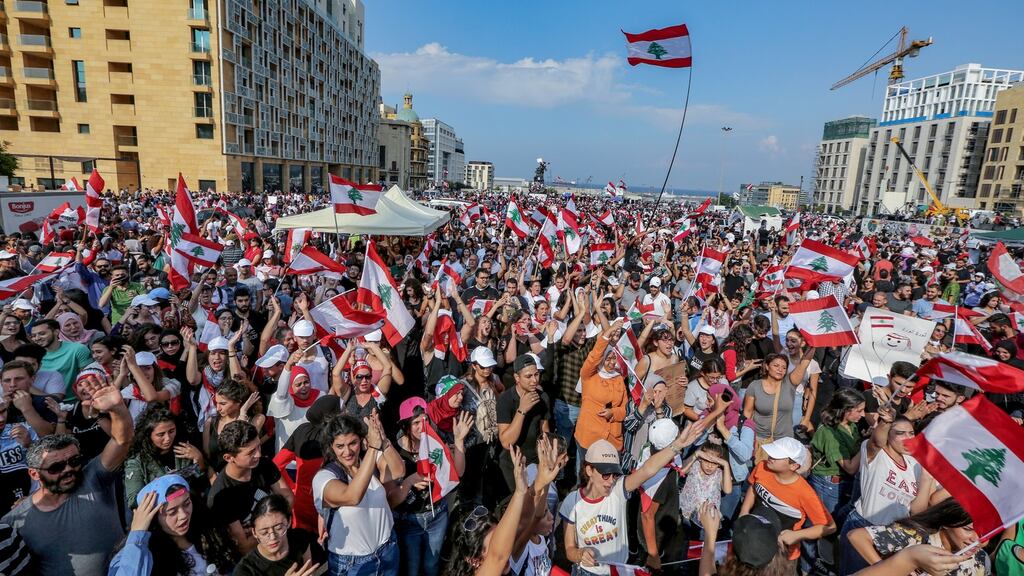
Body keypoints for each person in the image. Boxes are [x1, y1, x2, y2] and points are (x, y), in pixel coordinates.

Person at [1, 377, 133, 576]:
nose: (68, 469)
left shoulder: (93, 478)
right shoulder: (15, 522)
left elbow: (122, 441)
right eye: (56, 467)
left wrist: (118, 408)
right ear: (34, 473)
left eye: (74, 461)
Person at [560, 421, 708, 575]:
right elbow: (570, 549)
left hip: (619, 570)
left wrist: (677, 445)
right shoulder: (572, 502)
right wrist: (580, 554)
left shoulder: (618, 489)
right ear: (589, 470)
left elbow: (647, 470)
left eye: (614, 474)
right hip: (588, 572)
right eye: (605, 474)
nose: (611, 480)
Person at [313, 412, 404, 576]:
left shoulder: (368, 460)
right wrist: (373, 448)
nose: (347, 452)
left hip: (387, 549)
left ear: (361, 441)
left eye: (352, 443)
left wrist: (383, 441)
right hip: (352, 564)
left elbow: (397, 471)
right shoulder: (324, 478)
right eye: (340, 446)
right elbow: (352, 497)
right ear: (331, 447)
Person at [392, 399, 472, 576]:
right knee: (412, 569)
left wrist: (459, 441)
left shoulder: (434, 442)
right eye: (415, 423)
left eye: (425, 420)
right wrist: (408, 482)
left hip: (437, 516)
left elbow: (457, 471)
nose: (422, 426)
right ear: (405, 425)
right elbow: (390, 498)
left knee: (431, 565)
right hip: (409, 520)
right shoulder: (395, 453)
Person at [108, 473, 236, 575]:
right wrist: (137, 536)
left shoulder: (206, 529)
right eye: (172, 511)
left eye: (186, 504)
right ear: (152, 518)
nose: (183, 515)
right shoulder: (138, 551)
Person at [739, 437, 836, 564]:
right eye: (771, 452)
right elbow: (753, 486)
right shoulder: (762, 467)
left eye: (776, 456)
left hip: (782, 555)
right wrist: (744, 510)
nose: (770, 456)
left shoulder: (805, 493)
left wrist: (796, 535)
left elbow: (830, 526)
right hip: (753, 539)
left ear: (794, 465)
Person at [207, 420, 293, 557]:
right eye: (251, 452)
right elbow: (244, 546)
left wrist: (262, 531)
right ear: (229, 457)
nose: (258, 454)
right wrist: (279, 524)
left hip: (284, 544)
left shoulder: (264, 464)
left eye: (258, 447)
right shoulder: (221, 496)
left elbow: (288, 497)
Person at [848, 498, 987, 576]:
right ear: (946, 523)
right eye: (968, 529)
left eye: (985, 533)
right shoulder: (916, 536)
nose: (976, 540)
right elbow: (856, 536)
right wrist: (892, 568)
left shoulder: (981, 560)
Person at [123, 405, 206, 508]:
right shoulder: (137, 462)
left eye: (171, 431)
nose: (167, 438)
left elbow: (201, 483)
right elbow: (133, 501)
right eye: (161, 434)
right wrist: (161, 484)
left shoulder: (184, 448)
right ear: (149, 435)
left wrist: (199, 459)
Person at [497, 352, 552, 490]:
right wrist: (522, 410)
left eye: (536, 374)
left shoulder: (543, 397)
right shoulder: (506, 400)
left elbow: (544, 430)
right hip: (512, 462)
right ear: (517, 377)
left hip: (535, 460)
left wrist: (548, 457)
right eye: (528, 376)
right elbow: (506, 442)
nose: (534, 380)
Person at [234, 494, 319, 576]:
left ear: (289, 521)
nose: (272, 537)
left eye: (278, 528)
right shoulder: (245, 570)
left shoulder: (300, 538)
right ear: (254, 532)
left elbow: (309, 571)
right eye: (264, 532)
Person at [31, 318, 94, 394]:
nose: (37, 338)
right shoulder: (31, 356)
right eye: (34, 336)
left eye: (42, 334)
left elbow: (88, 379)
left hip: (74, 401)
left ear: (56, 332)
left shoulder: (77, 349)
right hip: (42, 401)